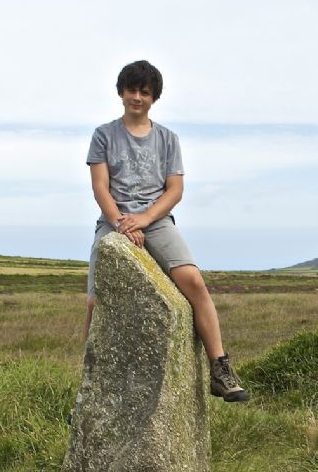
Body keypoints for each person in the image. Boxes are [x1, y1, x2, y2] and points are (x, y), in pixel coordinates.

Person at [84, 60, 248, 402]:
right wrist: (120, 222)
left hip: (156, 220)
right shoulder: (104, 134)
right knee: (95, 300)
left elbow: (174, 190)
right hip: (113, 220)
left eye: (144, 92)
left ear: (154, 97)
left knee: (194, 281)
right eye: (131, 90)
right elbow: (100, 187)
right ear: (120, 92)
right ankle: (89, 391)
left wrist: (143, 219)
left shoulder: (167, 139)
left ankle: (220, 368)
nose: (137, 97)